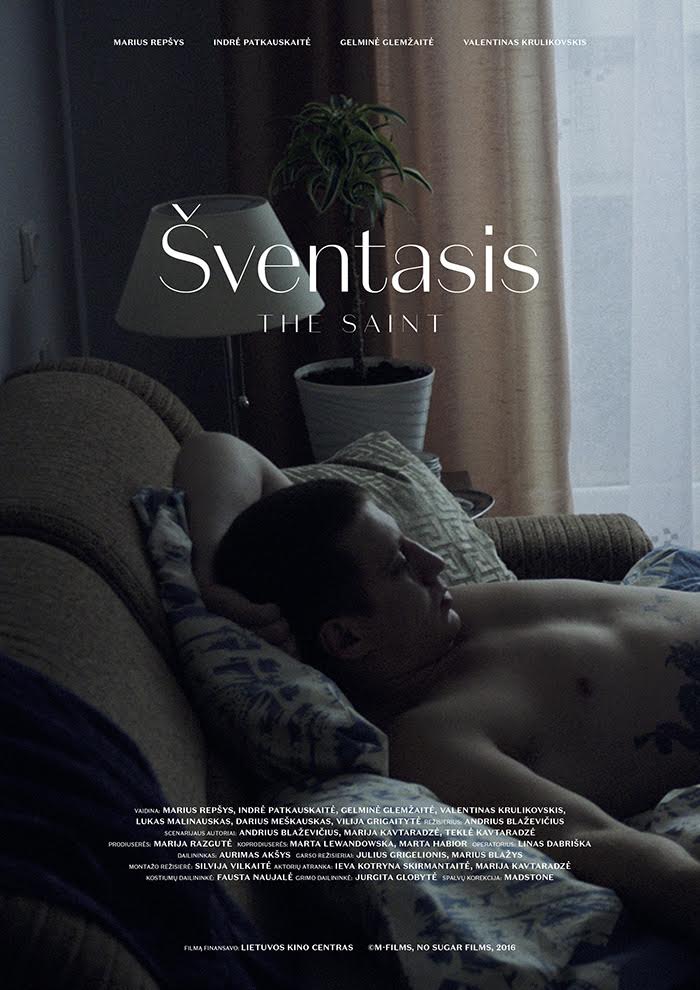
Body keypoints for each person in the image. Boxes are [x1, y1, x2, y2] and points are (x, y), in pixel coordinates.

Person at [175, 432, 700, 945]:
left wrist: (209, 572)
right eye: (400, 565)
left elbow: (218, 447)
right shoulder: (435, 739)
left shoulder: (430, 620)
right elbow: (599, 844)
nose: (435, 561)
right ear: (347, 637)